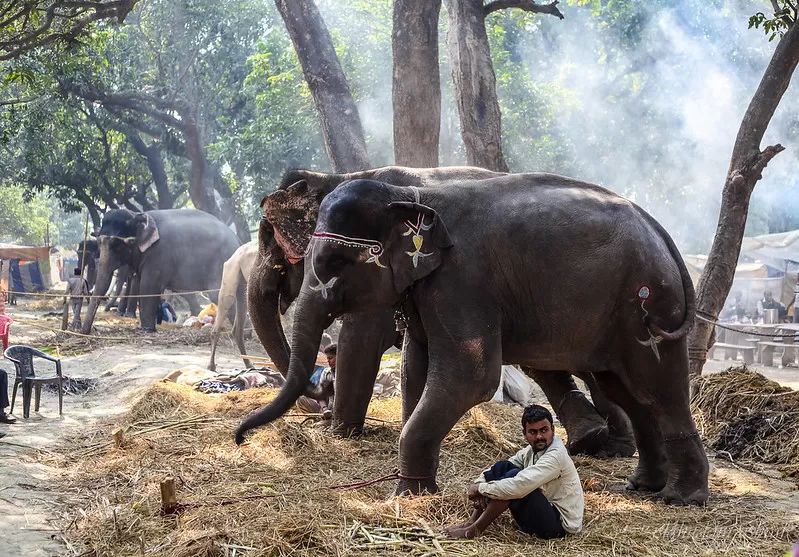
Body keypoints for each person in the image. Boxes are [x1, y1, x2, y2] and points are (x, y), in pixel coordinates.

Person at [443, 404, 583, 540]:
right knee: (503, 467)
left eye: (544, 430)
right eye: (533, 432)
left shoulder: (556, 455)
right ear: (524, 434)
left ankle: (474, 530)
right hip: (543, 512)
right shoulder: (531, 451)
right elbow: (497, 469)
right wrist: (478, 484)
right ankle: (471, 523)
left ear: (553, 429)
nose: (539, 436)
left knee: (513, 480)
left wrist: (480, 489)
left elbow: (518, 486)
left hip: (559, 526)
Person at [296, 343, 337, 420]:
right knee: (301, 399)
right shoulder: (326, 372)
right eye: (327, 359)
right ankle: (320, 418)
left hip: (340, 414)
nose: (328, 361)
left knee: (319, 426)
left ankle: (324, 422)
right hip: (326, 410)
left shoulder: (346, 375)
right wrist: (324, 409)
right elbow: (320, 395)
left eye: (331, 358)